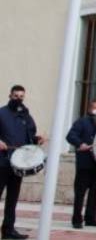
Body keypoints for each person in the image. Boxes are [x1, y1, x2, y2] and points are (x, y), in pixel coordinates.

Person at [0, 85, 45, 240]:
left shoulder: (25, 115)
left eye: (21, 96)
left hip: (18, 164)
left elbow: (31, 135)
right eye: (16, 96)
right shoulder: (1, 113)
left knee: (12, 199)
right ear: (10, 95)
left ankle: (8, 230)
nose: (18, 99)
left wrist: (37, 139)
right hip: (2, 162)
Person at [66, 100, 96, 229]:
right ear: (90, 109)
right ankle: (77, 219)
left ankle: (91, 218)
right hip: (85, 163)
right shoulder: (82, 122)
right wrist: (80, 144)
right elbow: (70, 136)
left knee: (94, 191)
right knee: (80, 192)